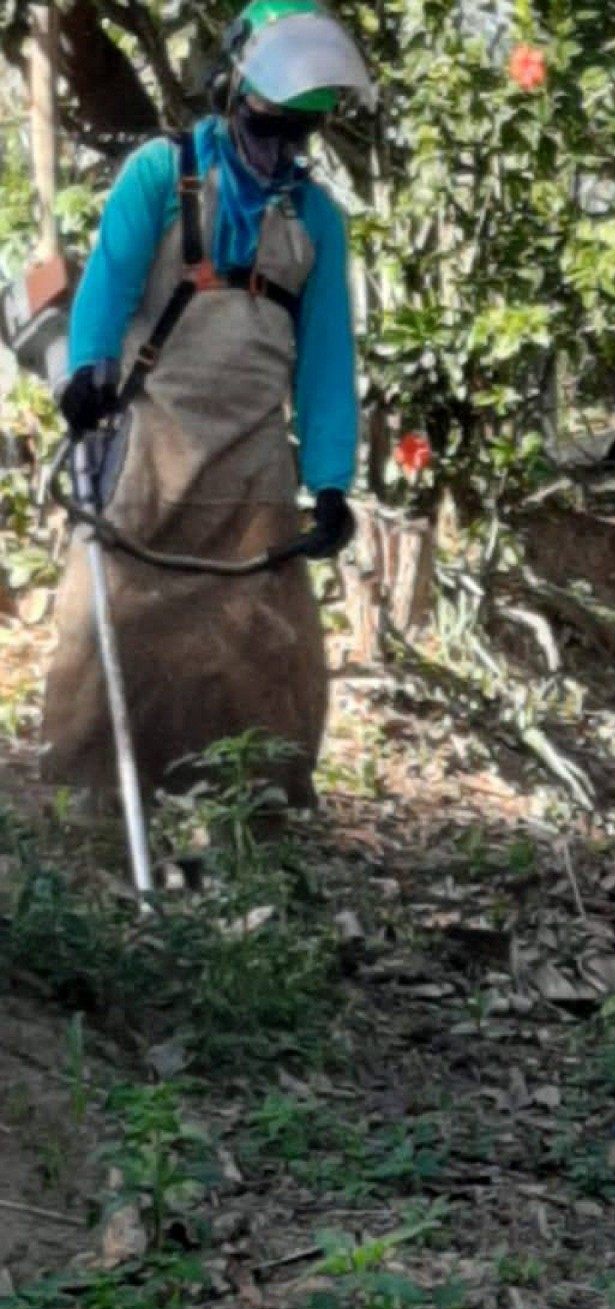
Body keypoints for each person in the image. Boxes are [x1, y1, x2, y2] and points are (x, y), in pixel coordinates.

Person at [43, 0, 372, 807]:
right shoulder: (162, 172)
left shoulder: (316, 219)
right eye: (267, 128)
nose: (278, 150)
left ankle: (252, 817)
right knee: (109, 621)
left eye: (298, 136)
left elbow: (327, 355)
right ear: (232, 95)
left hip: (255, 458)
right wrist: (87, 372)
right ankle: (88, 809)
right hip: (154, 439)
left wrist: (331, 483)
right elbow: (109, 284)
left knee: (266, 647)